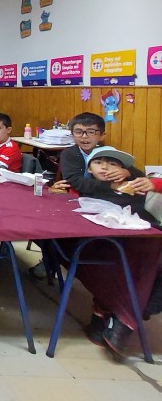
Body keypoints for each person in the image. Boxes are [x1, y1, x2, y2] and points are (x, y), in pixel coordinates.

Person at [52, 146, 161, 357]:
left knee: (147, 255)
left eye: (114, 164)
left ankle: (114, 316)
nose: (107, 168)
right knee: (124, 262)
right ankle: (123, 318)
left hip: (137, 242)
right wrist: (53, 192)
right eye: (100, 163)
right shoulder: (83, 189)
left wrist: (142, 180)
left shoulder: (136, 188)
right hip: (97, 246)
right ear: (89, 169)